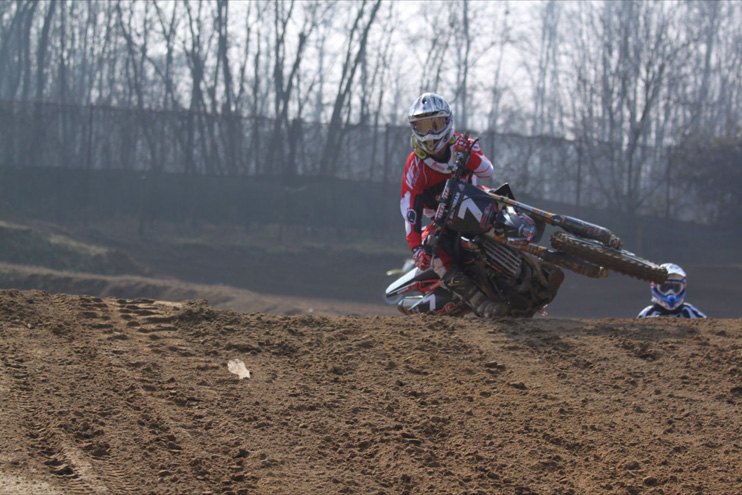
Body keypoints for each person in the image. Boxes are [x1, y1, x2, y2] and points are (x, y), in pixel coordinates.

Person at [399, 92, 503, 318]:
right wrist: (416, 248)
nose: (429, 133)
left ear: (447, 122)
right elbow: (411, 211)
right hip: (444, 219)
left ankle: (529, 237)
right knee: (430, 245)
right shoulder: (415, 164)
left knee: (501, 197)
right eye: (422, 126)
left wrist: (468, 154)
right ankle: (477, 300)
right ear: (414, 128)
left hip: (476, 199)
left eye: (435, 124)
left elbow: (487, 171)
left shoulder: (463, 143)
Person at [637, 263, 707, 318]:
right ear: (655, 287)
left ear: (683, 287)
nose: (670, 292)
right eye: (665, 287)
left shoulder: (690, 312)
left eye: (676, 288)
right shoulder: (647, 314)